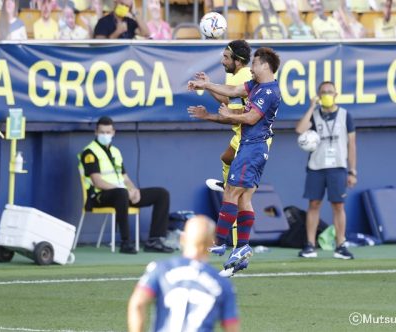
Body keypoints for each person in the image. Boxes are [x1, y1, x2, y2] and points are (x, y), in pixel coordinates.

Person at [187, 47, 281, 276]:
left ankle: (219, 241)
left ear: (265, 66)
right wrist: (207, 85)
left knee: (231, 191)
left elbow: (251, 118)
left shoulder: (268, 92)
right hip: (253, 147)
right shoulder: (256, 86)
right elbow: (233, 90)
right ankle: (241, 247)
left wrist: (229, 115)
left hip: (253, 147)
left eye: (255, 63)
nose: (251, 67)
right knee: (244, 199)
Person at [127, 215, 240, 332]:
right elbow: (231, 325)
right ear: (213, 243)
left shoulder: (161, 269)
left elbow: (138, 303)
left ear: (182, 239)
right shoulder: (222, 283)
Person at [80, 116, 174, 254]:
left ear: (113, 132)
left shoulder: (115, 151)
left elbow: (124, 177)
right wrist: (125, 190)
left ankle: (155, 240)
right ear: (96, 132)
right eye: (102, 132)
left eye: (108, 132)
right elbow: (97, 181)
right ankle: (126, 243)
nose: (105, 135)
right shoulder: (90, 152)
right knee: (122, 194)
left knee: (161, 194)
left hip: (121, 195)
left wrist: (133, 189)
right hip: (99, 197)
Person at [295, 81, 357, 260]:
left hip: (337, 167)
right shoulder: (314, 115)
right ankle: (309, 245)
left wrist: (352, 171)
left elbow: (352, 145)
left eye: (330, 92)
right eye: (323, 92)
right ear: (318, 95)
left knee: (338, 205)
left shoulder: (345, 116)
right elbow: (299, 130)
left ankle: (341, 245)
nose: (327, 95)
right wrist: (311, 107)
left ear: (336, 94)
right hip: (316, 166)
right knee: (314, 204)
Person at [188, 40, 253, 193]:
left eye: (226, 57)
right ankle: (227, 186)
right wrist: (209, 86)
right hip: (243, 133)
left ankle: (229, 190)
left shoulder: (239, 78)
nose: (222, 61)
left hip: (250, 136)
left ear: (237, 61)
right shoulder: (239, 74)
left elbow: (233, 116)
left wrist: (207, 116)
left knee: (239, 195)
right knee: (226, 158)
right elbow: (228, 100)